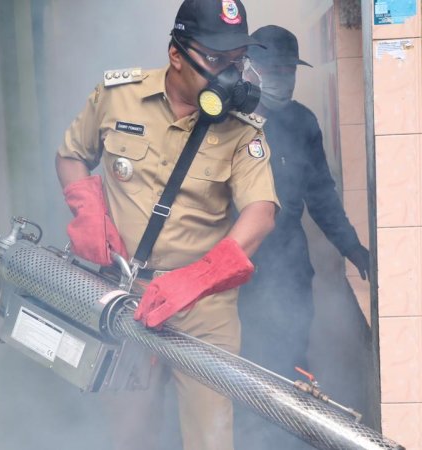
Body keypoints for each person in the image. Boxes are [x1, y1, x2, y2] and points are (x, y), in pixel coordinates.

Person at [54, 1, 279, 449]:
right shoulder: (117, 95)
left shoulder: (242, 129)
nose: (230, 76)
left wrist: (199, 277)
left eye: (238, 60)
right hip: (121, 291)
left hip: (203, 307)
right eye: (216, 60)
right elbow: (71, 155)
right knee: (131, 428)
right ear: (177, 54)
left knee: (210, 433)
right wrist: (87, 209)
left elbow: (262, 211)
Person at [234, 25, 371, 450]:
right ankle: (251, 438)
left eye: (289, 69)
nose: (284, 77)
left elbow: (322, 195)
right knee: (247, 364)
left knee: (292, 358)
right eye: (274, 68)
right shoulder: (227, 118)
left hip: (289, 265)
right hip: (237, 265)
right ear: (250, 69)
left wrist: (352, 247)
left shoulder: (303, 121)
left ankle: (289, 438)